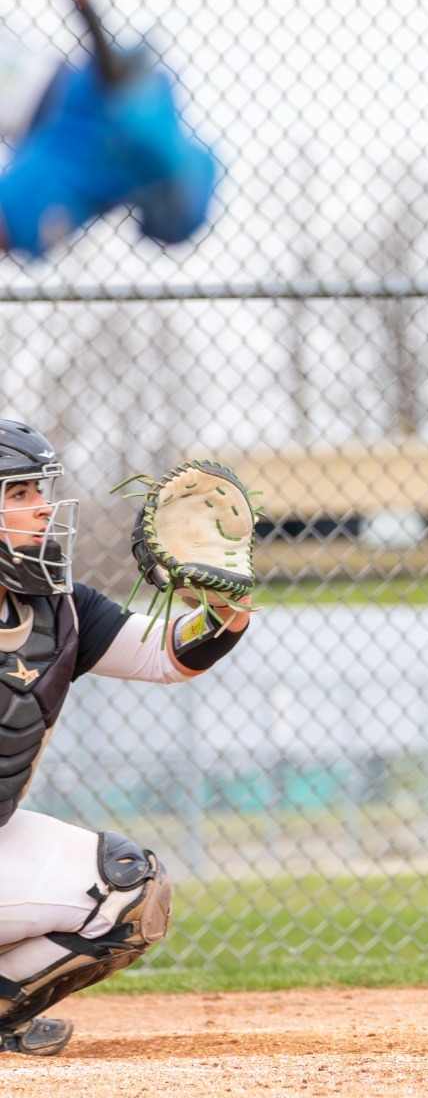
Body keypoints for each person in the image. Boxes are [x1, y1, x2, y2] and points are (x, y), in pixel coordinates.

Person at [0, 422, 252, 1057]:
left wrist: (225, 607)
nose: (43, 508)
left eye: (41, 490)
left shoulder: (58, 607)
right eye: (19, 493)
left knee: (127, 889)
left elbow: (167, 655)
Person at [0, 32, 215, 258]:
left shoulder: (157, 143)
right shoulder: (158, 145)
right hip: (46, 97)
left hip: (50, 100)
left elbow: (133, 60)